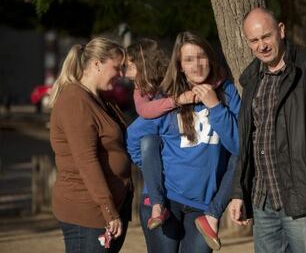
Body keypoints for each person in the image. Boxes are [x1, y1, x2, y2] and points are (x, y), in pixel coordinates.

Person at [228, 8, 306, 253]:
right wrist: (238, 193)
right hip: (262, 202)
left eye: (266, 36)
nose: (261, 45)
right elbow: (246, 144)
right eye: (254, 40)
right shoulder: (251, 80)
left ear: (281, 30)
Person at [127, 31, 240, 253]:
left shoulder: (226, 92)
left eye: (201, 57)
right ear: (179, 66)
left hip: (204, 207)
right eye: (188, 59)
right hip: (165, 201)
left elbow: (239, 147)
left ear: (210, 58)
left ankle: (212, 217)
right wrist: (152, 169)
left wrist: (215, 106)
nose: (196, 65)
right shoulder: (169, 98)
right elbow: (134, 138)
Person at [49, 37, 133, 253]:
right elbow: (86, 161)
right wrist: (109, 210)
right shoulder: (75, 100)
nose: (121, 74)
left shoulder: (102, 100)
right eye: (117, 67)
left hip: (106, 210)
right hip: (87, 213)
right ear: (97, 64)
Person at [124, 38, 198, 252]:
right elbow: (135, 131)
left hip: (189, 192)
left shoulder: (167, 88)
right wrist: (152, 164)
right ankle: (157, 203)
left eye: (129, 64)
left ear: (144, 63)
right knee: (148, 141)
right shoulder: (142, 91)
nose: (124, 71)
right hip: (160, 193)